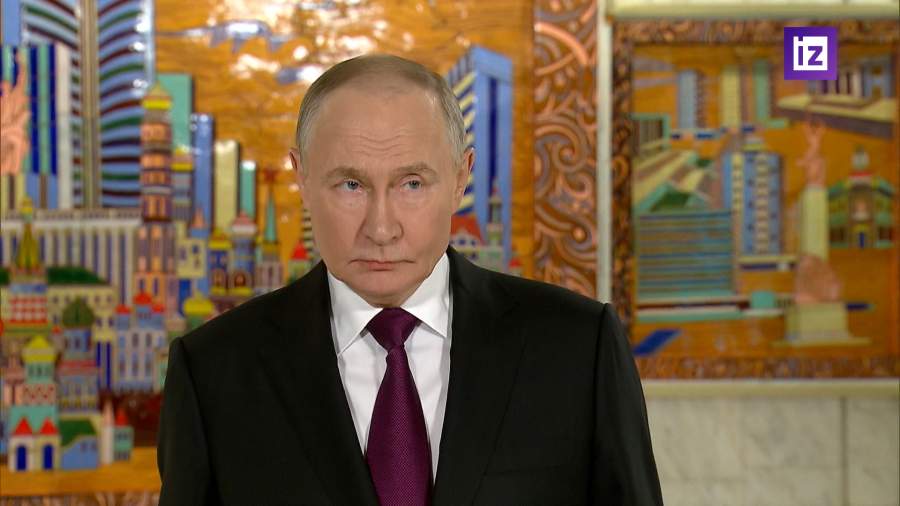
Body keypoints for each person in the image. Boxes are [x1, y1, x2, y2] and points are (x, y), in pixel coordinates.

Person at [157, 54, 662, 506]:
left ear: (461, 177)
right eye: (351, 184)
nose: (381, 228)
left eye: (412, 184)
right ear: (302, 177)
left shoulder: (578, 348)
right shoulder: (212, 372)